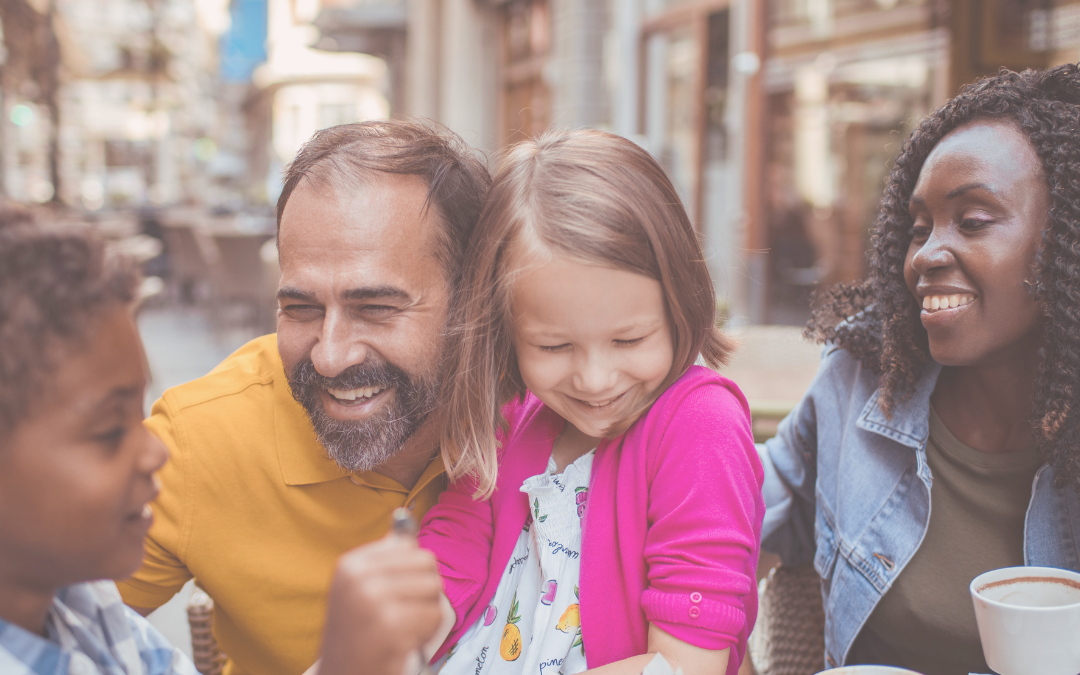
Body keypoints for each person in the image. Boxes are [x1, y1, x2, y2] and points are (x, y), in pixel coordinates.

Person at [116, 118, 491, 675]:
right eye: (301, 308)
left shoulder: (561, 403)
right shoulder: (199, 441)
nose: (330, 355)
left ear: (474, 302)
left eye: (376, 308)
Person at [0, 225, 445, 675]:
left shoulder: (84, 611)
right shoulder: (196, 443)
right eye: (110, 432)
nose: (155, 452)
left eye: (377, 307)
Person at [759, 64, 1080, 674]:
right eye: (919, 227)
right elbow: (732, 511)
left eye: (974, 220)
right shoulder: (861, 379)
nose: (927, 253)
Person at [417, 129, 764, 675]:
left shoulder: (700, 424)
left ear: (682, 301)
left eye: (628, 341)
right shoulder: (511, 418)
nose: (596, 380)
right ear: (505, 332)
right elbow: (453, 552)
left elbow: (686, 664)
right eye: (553, 346)